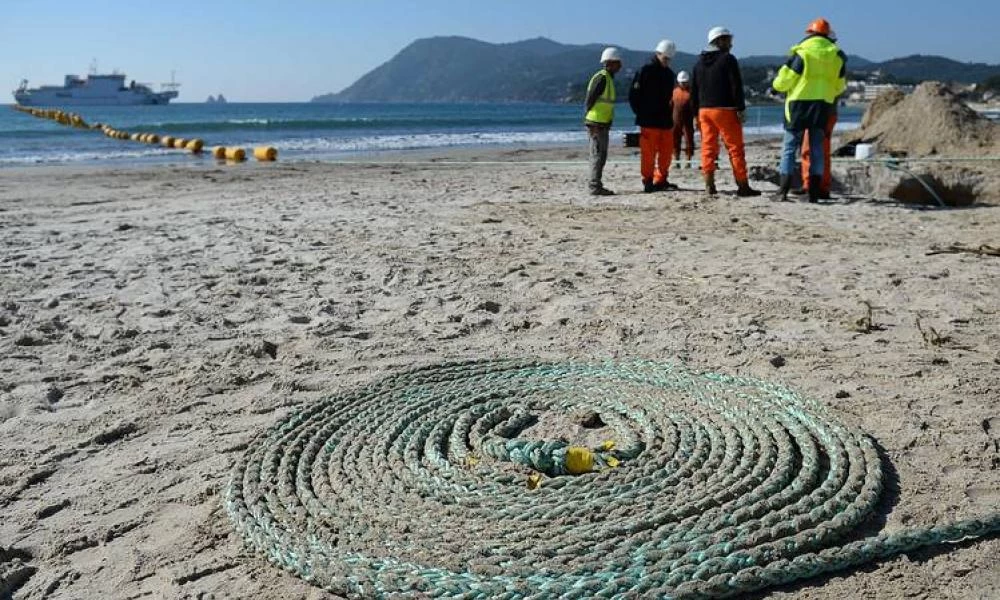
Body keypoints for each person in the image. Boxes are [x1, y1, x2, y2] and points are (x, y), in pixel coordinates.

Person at [771, 18, 847, 203]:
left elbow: (784, 81)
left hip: (798, 105)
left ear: (810, 33)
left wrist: (776, 86)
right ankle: (813, 193)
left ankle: (782, 191)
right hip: (822, 106)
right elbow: (840, 86)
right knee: (817, 150)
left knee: (789, 148)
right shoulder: (837, 56)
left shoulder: (803, 53)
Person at [690, 26, 760, 197]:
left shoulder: (698, 63)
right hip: (725, 110)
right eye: (728, 40)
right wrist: (741, 108)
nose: (731, 44)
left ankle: (709, 185)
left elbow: (694, 90)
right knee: (735, 148)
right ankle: (743, 186)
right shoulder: (728, 59)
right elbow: (736, 86)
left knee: (708, 148)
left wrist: (694, 114)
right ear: (720, 40)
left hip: (704, 110)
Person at [629, 39, 677, 193]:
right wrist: (641, 113)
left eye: (669, 59)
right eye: (665, 58)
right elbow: (633, 96)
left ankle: (661, 179)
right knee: (648, 154)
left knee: (666, 153)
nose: (667, 62)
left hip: (665, 121)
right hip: (648, 121)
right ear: (658, 54)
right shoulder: (645, 71)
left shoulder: (670, 74)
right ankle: (648, 181)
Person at [799, 28, 841, 199]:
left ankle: (814, 186)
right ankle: (818, 185)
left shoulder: (822, 59)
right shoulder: (835, 59)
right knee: (820, 150)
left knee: (812, 149)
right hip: (827, 110)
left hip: (817, 111)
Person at [585, 47, 622, 196]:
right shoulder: (602, 78)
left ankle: (596, 184)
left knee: (601, 155)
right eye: (618, 63)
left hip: (602, 123)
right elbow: (590, 100)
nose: (620, 66)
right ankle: (594, 186)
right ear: (610, 62)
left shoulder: (608, 78)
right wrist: (591, 121)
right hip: (596, 123)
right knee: (597, 155)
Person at [672, 71, 696, 169]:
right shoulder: (674, 92)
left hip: (688, 120)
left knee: (689, 141)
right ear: (678, 82)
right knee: (675, 140)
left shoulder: (692, 92)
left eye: (685, 82)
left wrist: (695, 118)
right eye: (682, 82)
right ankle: (676, 161)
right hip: (675, 119)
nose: (684, 84)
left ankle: (688, 161)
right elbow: (670, 105)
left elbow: (695, 106)